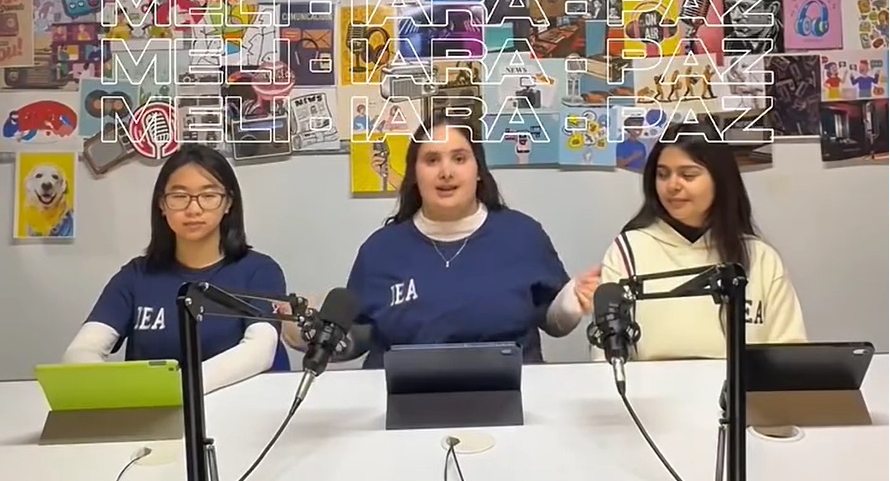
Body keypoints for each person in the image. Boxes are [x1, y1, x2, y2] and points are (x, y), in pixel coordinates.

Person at [308, 115, 599, 368]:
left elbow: (552, 322)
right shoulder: (380, 250)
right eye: (432, 160)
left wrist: (571, 300)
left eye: (459, 159)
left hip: (511, 394)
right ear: (414, 175)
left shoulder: (523, 235)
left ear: (479, 171)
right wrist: (313, 332)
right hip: (401, 400)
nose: (446, 172)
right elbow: (358, 336)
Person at [62, 144, 291, 393]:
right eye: (179, 196)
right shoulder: (135, 276)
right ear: (162, 204)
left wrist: (178, 389)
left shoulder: (259, 271)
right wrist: (122, 391)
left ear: (228, 203)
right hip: (154, 410)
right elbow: (80, 353)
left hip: (237, 408)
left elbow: (260, 350)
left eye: (208, 196)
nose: (193, 209)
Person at [585, 122, 807, 361]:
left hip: (741, 386)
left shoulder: (761, 258)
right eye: (663, 174)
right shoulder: (629, 251)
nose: (672, 186)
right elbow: (606, 358)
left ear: (720, 180)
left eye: (688, 175)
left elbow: (790, 357)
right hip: (649, 386)